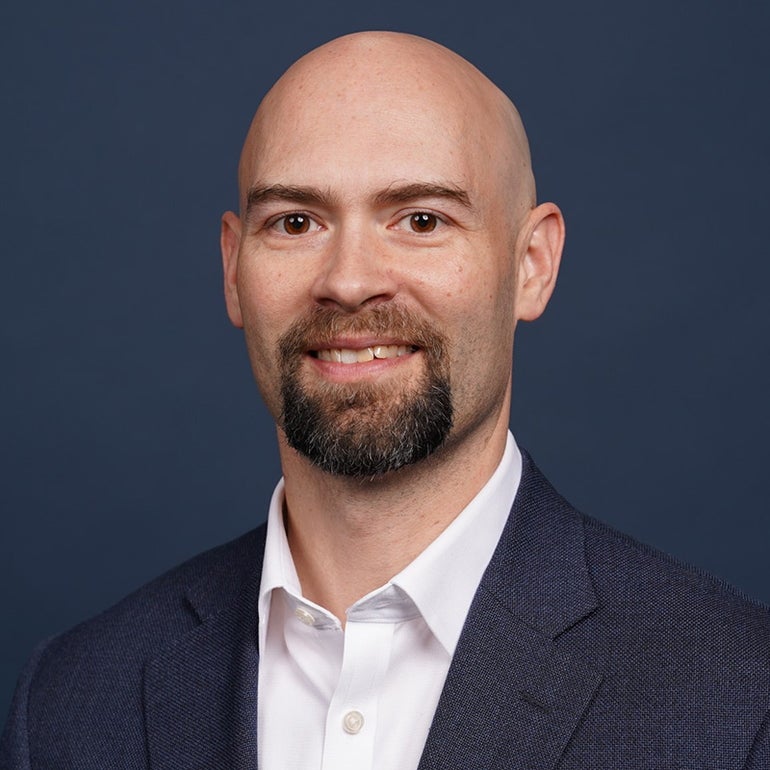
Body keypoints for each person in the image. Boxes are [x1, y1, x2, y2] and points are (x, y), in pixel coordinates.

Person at [1, 30, 768, 770]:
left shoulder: (737, 696)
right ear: (234, 269)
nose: (349, 279)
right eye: (296, 222)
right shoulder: (69, 702)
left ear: (532, 264)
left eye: (421, 219)